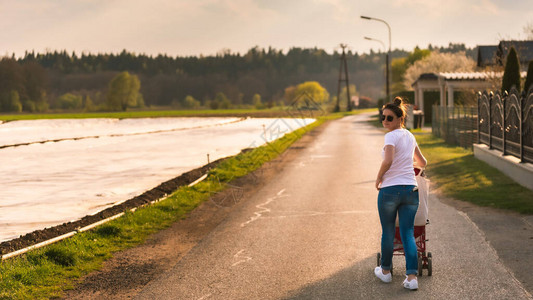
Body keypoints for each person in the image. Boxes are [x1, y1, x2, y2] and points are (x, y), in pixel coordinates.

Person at [374, 97, 427, 290]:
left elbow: (388, 161)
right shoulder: (410, 136)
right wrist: (407, 166)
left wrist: (379, 177)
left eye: (389, 118)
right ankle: (412, 278)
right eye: (383, 117)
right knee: (407, 233)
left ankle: (386, 272)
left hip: (390, 190)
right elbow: (422, 163)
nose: (385, 121)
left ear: (399, 119)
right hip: (410, 190)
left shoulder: (391, 136)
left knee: (388, 231)